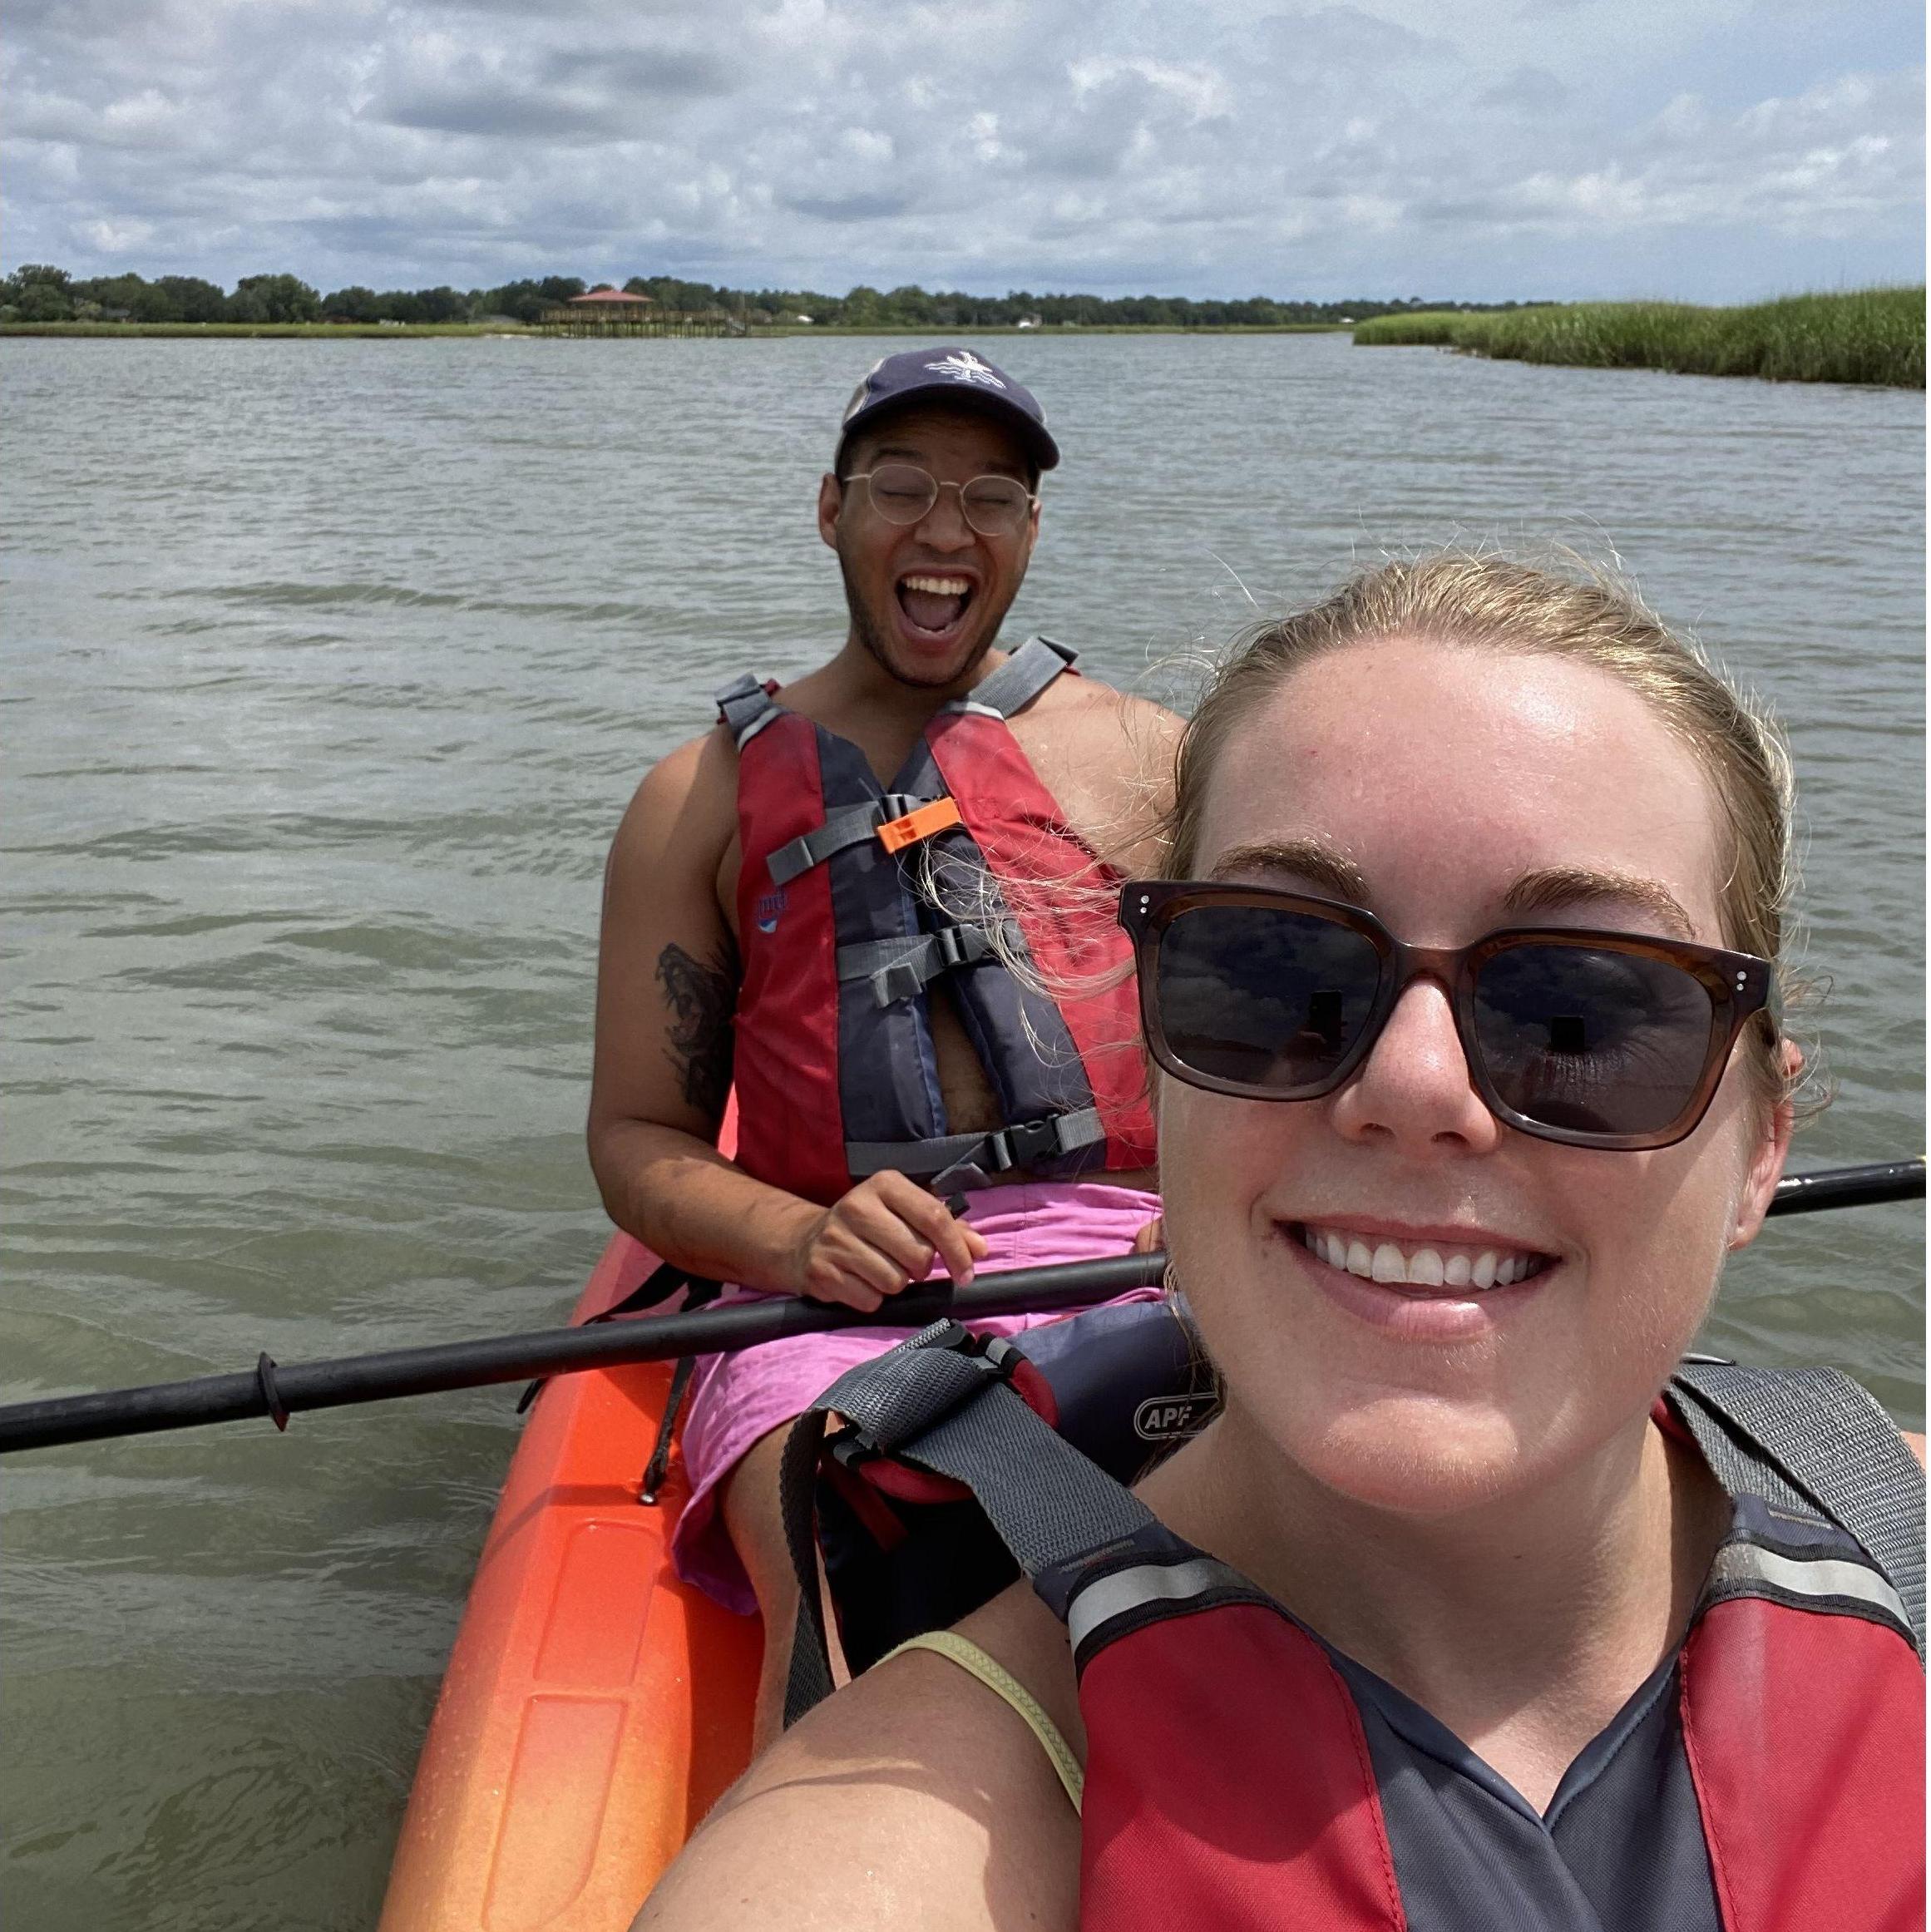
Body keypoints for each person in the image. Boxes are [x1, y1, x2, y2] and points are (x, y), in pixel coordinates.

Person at [635, 554, 1926, 1930]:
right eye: (1272, 971)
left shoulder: (1889, 1526)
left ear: (1761, 1144)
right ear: (1155, 1053)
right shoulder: (871, 1862)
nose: (1415, 1088)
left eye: (1584, 1012)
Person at [588, 346, 1180, 1748]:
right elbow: (635, 1142)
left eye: (986, 496)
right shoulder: (701, 797)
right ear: (830, 510)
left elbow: (1274, 1043)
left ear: (1028, 532)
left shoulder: (1157, 762)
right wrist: (795, 1244)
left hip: (1137, 1252)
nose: (941, 529)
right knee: (824, 1543)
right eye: (899, 487)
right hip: (840, 1295)